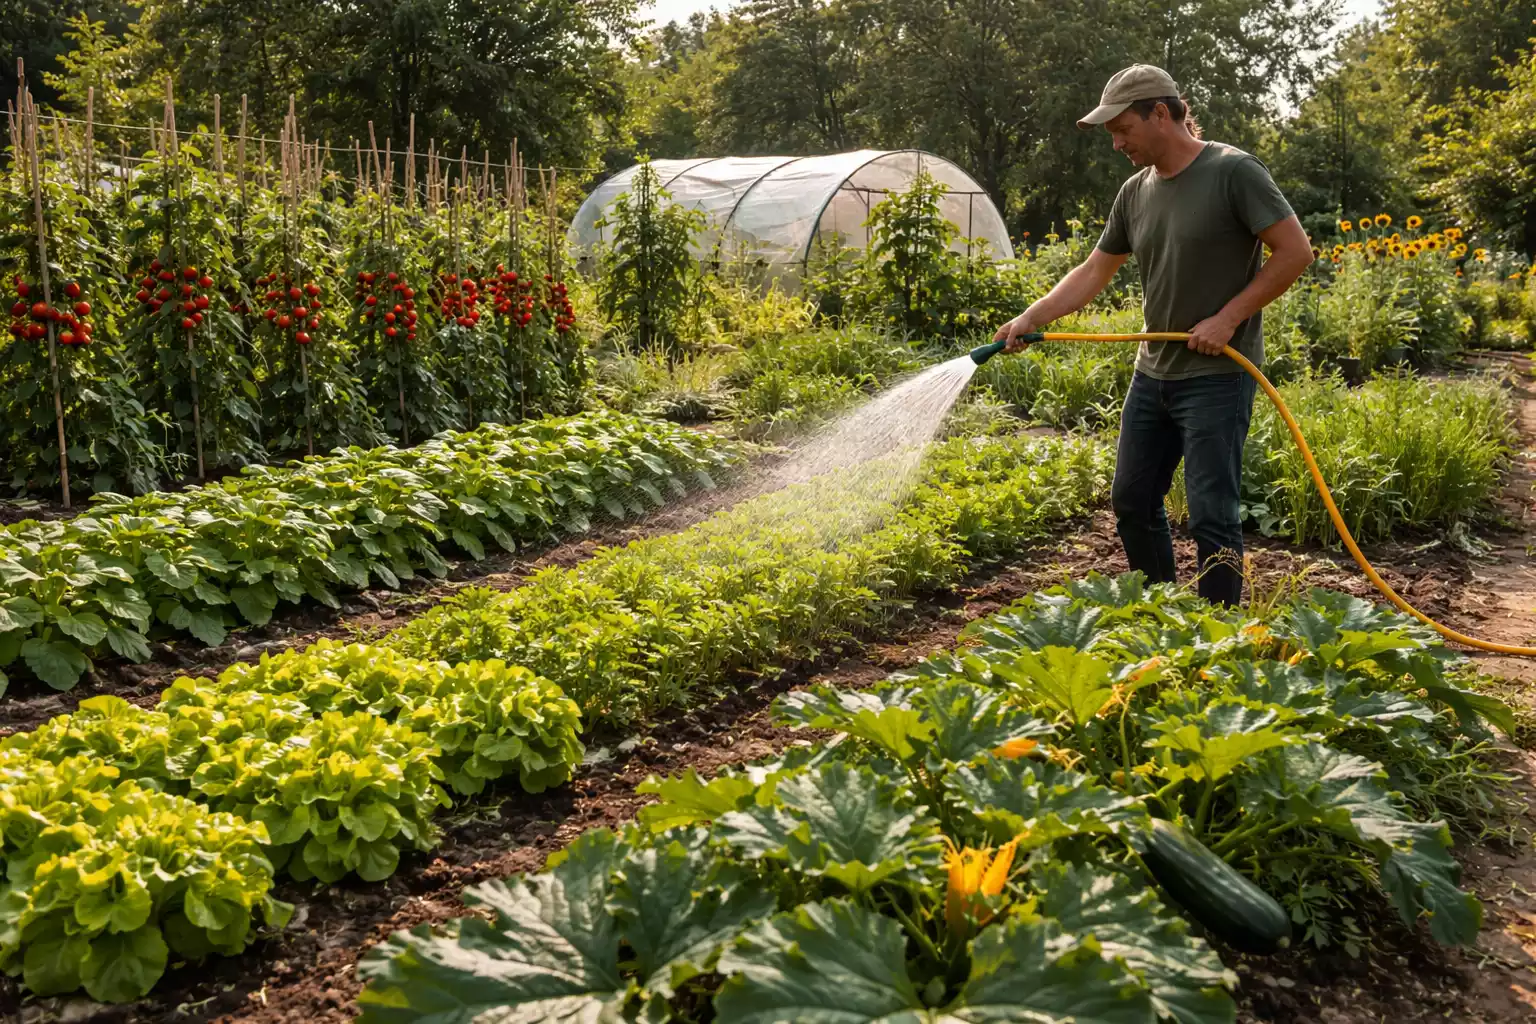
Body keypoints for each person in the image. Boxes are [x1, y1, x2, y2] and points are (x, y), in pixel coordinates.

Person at [994, 64, 1312, 605]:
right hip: (1153, 373)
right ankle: (1164, 613)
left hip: (1217, 374)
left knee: (1212, 514)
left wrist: (1228, 318)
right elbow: (1095, 270)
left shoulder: (1234, 172)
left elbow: (1295, 252)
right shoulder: (1134, 192)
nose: (1117, 143)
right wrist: (1032, 317)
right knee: (1133, 501)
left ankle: (1218, 635)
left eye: (1123, 129)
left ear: (1160, 114)